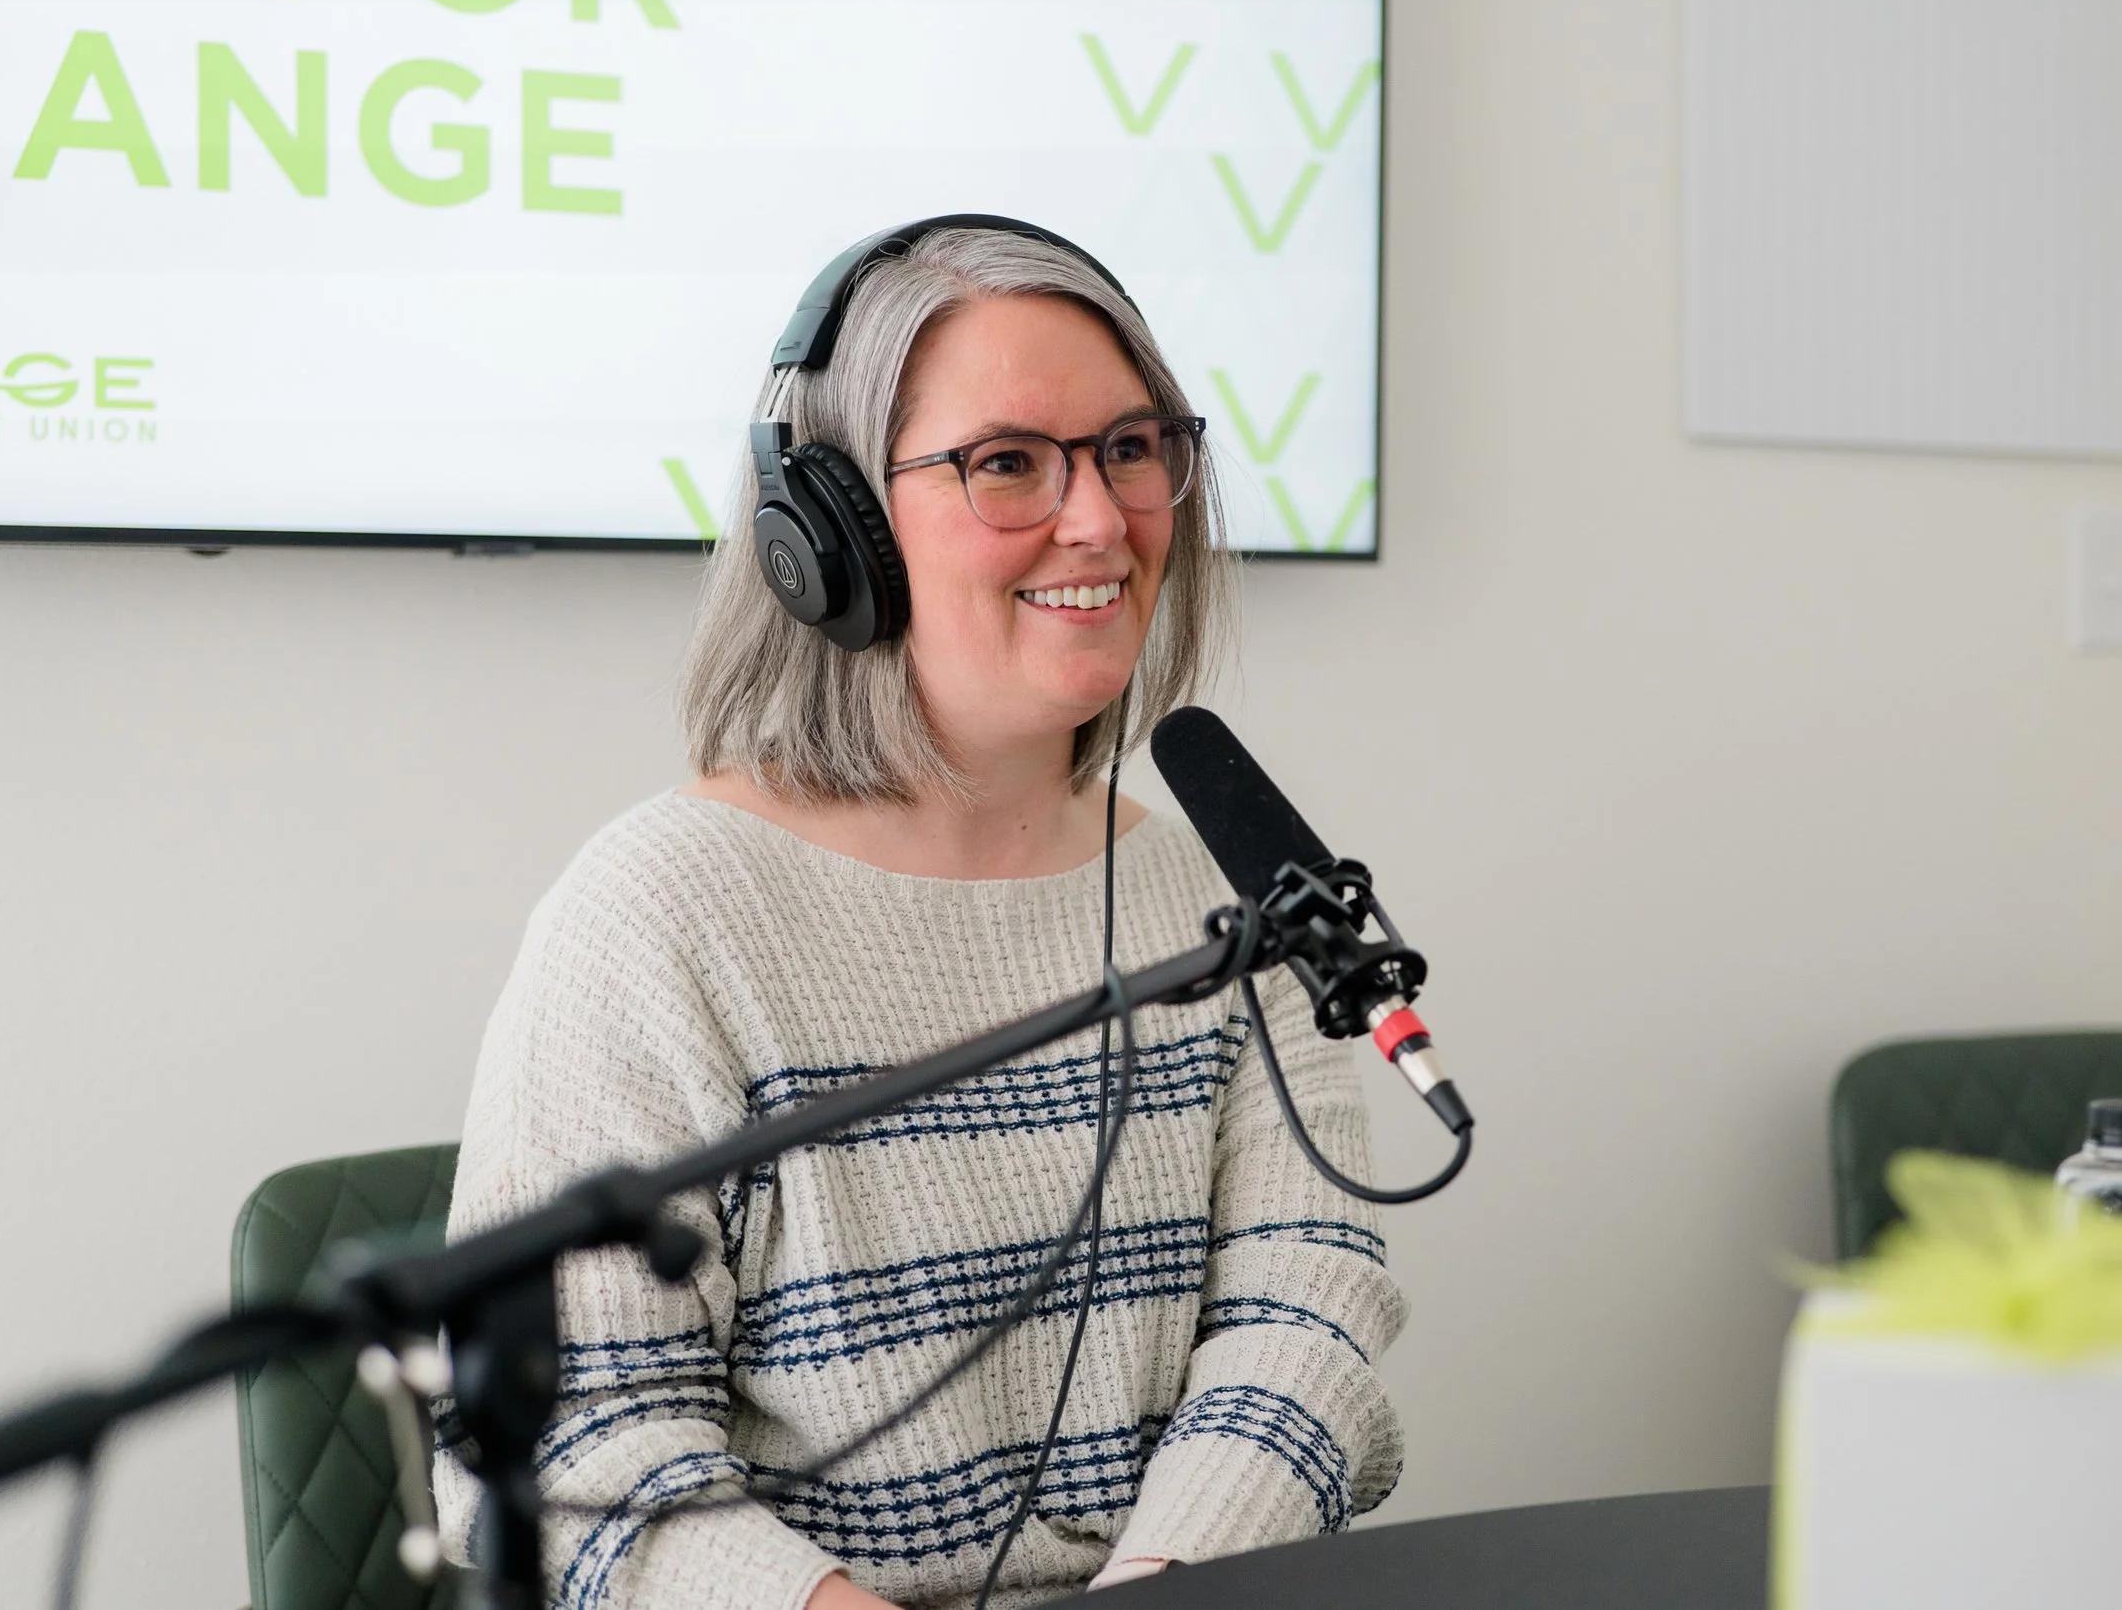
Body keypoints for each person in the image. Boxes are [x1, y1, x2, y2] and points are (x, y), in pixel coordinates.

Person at [435, 223, 1407, 1610]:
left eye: (1133, 449)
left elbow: (1306, 1323)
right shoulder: (658, 916)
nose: (1098, 518)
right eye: (1008, 462)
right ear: (824, 530)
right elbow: (566, 1461)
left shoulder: (1228, 901)